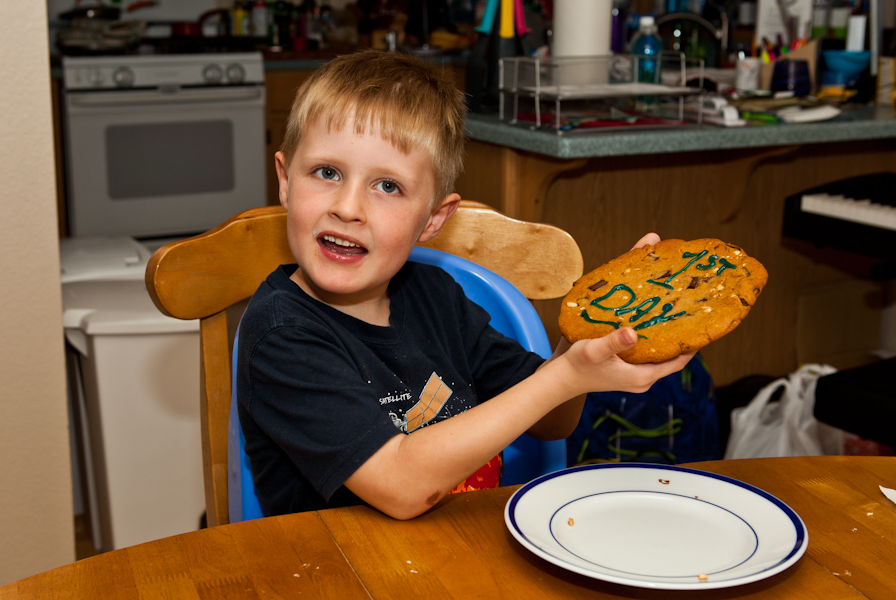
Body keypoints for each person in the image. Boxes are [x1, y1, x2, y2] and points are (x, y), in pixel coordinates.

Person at [236, 49, 693, 520]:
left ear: (434, 218)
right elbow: (400, 485)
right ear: (286, 181)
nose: (348, 208)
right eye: (327, 172)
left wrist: (586, 345)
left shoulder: (437, 297)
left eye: (387, 186)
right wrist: (567, 375)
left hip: (461, 552)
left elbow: (552, 420)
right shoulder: (280, 335)